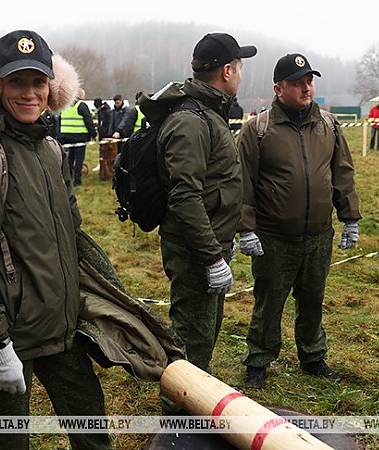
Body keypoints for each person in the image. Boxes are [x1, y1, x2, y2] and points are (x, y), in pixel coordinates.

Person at [0, 29, 111, 450]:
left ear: (51, 88)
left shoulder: (52, 150)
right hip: (9, 336)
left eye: (38, 82)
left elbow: (71, 237)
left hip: (63, 330)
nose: (29, 93)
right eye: (16, 82)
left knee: (94, 436)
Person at [136, 32, 255, 413]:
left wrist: (230, 233)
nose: (241, 74)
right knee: (192, 334)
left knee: (204, 330)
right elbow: (185, 197)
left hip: (206, 243)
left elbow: (216, 185)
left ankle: (193, 394)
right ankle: (176, 413)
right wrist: (210, 256)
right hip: (193, 250)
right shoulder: (190, 120)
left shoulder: (211, 112)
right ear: (226, 70)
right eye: (239, 66)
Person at [236, 53, 361, 389]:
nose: (306, 88)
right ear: (279, 88)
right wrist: (245, 229)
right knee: (269, 302)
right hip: (274, 238)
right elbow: (243, 184)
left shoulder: (329, 125)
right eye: (296, 83)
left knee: (312, 300)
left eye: (309, 80)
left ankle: (313, 357)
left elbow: (342, 174)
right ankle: (259, 361)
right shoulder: (257, 130)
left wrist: (349, 217)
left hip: (319, 235)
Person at [58, 88, 96, 186]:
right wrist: (93, 134)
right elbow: (88, 120)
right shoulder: (81, 105)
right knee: (79, 159)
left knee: (69, 159)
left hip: (66, 136)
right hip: (80, 137)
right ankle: (77, 180)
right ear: (81, 96)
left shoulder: (66, 105)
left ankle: (69, 177)